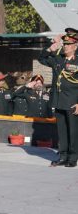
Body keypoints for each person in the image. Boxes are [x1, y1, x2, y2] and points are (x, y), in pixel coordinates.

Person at [38, 32, 78, 167]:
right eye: (65, 44)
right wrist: (51, 48)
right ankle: (63, 155)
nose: (66, 47)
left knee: (73, 130)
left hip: (73, 101)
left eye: (69, 44)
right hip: (59, 100)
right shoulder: (58, 59)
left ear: (75, 46)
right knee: (61, 130)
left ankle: (72, 158)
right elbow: (42, 59)